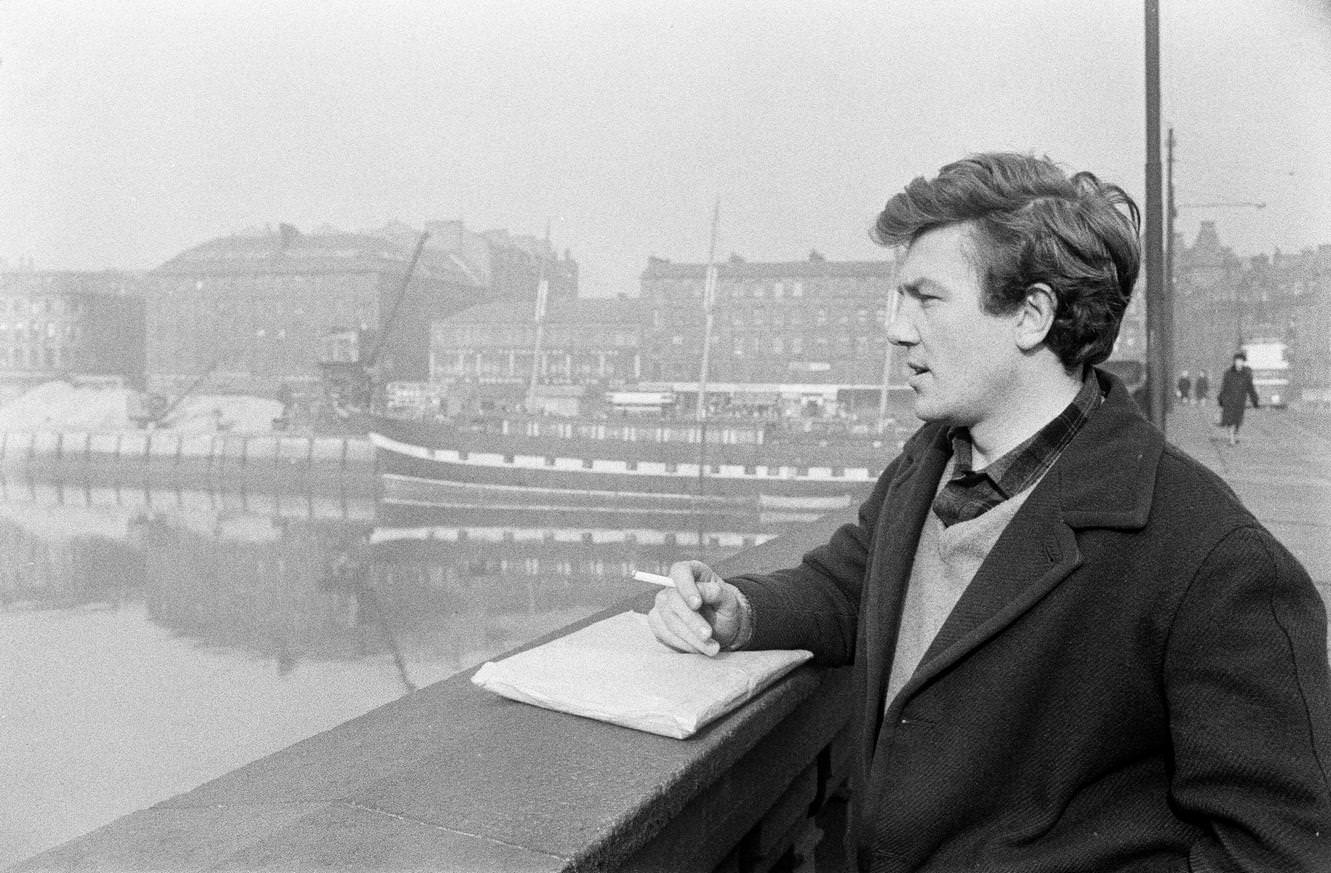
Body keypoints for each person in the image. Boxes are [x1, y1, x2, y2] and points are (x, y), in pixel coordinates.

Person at [648, 153, 1331, 872]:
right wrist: (739, 609)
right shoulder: (926, 465)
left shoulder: (1213, 559)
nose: (895, 329)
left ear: (1031, 315)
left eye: (925, 298)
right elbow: (855, 586)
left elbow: (1279, 852)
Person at [1217, 351, 1261, 446]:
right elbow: (1224, 387)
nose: (1239, 363)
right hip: (1229, 400)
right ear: (1234, 362)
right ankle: (1231, 439)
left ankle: (1233, 435)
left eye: (1241, 361)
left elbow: (1250, 388)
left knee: (1237, 421)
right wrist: (1221, 399)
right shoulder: (1228, 373)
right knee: (1230, 421)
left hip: (1240, 402)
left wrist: (1255, 400)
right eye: (1237, 361)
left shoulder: (1246, 374)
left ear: (1243, 362)